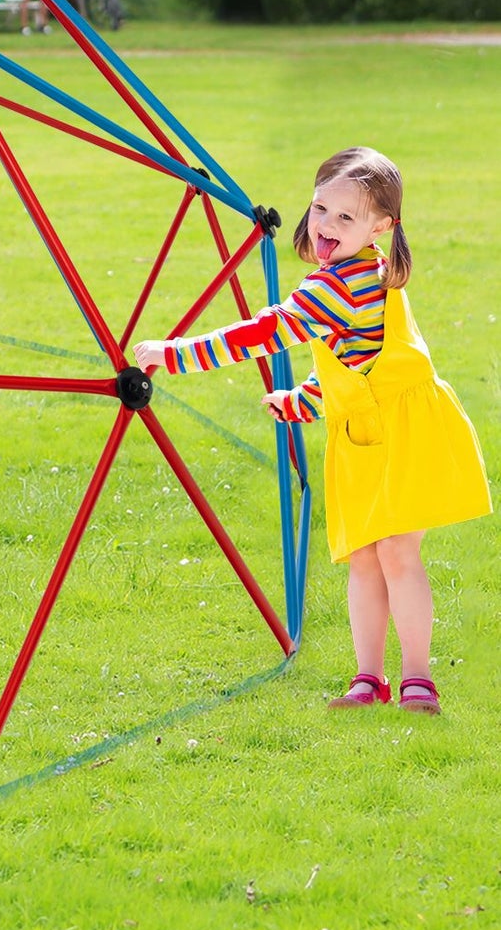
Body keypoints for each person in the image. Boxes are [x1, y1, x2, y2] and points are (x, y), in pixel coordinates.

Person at [135, 148, 490, 715]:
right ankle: (368, 679)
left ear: (381, 226)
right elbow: (355, 361)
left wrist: (174, 353)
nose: (325, 224)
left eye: (345, 218)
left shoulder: (342, 283)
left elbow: (267, 332)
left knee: (398, 552)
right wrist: (303, 400)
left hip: (403, 430)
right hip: (368, 429)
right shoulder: (359, 268)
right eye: (321, 208)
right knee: (366, 559)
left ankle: (418, 678)